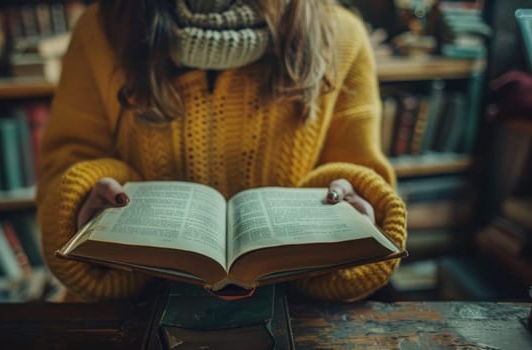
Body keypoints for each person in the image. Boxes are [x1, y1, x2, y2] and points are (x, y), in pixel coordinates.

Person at [36, 0, 407, 302]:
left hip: (295, 307)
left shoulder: (343, 36)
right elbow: (63, 169)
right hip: (132, 306)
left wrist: (351, 206)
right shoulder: (99, 29)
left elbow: (362, 178)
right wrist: (88, 197)